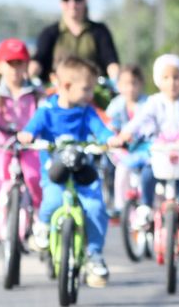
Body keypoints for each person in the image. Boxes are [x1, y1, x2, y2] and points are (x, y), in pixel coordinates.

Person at [109, 54, 179, 272]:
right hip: (160, 159)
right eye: (166, 77)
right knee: (148, 174)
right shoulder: (153, 102)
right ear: (158, 80)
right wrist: (124, 135)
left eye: (176, 77)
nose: (172, 82)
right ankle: (146, 208)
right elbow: (138, 122)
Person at [17, 55, 114, 287]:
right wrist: (27, 135)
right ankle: (41, 227)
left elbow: (101, 131)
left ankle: (94, 255)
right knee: (52, 199)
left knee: (95, 207)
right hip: (55, 171)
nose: (91, 94)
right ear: (67, 86)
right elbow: (31, 129)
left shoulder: (86, 111)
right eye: (87, 89)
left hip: (82, 170)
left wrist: (111, 139)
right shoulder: (46, 111)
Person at [0, 38, 45, 255]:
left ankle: (40, 224)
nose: (15, 69)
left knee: (34, 179)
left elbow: (44, 112)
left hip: (29, 147)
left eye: (20, 63)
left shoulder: (35, 92)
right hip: (1, 145)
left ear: (27, 65)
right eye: (10, 63)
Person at [33, 0, 120, 81]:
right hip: (57, 91)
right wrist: (30, 78)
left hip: (92, 91)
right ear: (60, 3)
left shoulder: (99, 31)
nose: (72, 4)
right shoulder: (49, 33)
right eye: (66, 0)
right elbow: (38, 60)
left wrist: (117, 81)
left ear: (85, 1)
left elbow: (111, 62)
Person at [105, 64, 146, 218]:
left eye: (134, 83)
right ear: (118, 86)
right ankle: (120, 206)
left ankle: (145, 204)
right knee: (121, 172)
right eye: (125, 84)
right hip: (123, 148)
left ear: (141, 84)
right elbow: (110, 124)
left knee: (144, 178)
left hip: (143, 148)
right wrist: (115, 136)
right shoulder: (117, 104)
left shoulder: (146, 103)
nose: (130, 88)